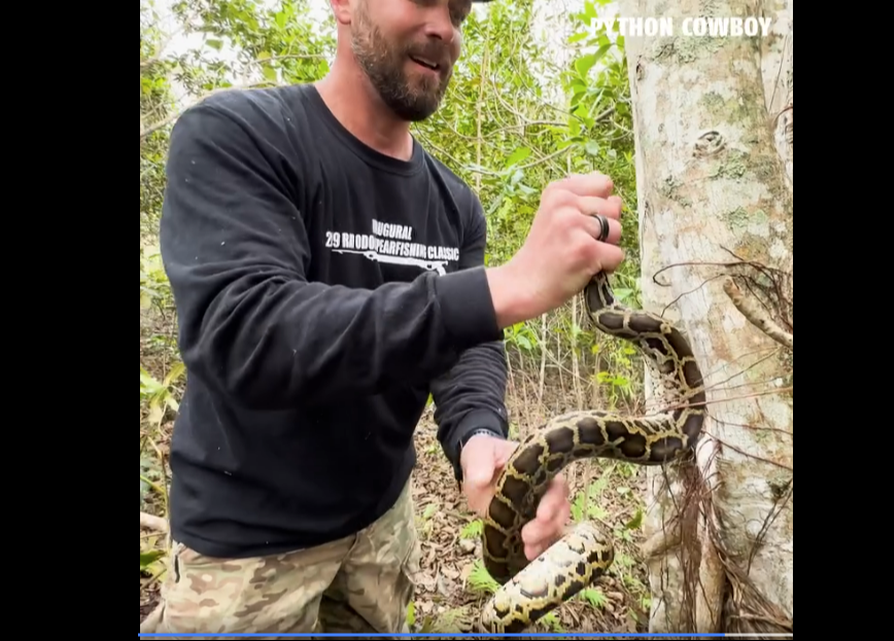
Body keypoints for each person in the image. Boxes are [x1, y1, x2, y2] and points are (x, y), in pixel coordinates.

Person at [142, 0, 625, 634]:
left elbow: (464, 348)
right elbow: (247, 331)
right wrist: (504, 287)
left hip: (382, 526)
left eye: (458, 11)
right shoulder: (239, 134)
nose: (444, 28)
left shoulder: (454, 204)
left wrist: (479, 437)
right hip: (245, 548)